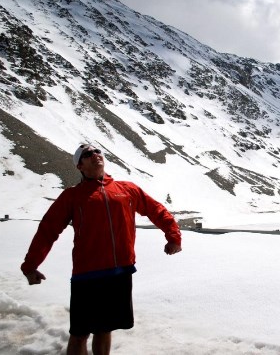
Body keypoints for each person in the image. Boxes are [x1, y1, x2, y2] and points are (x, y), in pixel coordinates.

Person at [21, 144, 182, 355]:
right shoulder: (72, 196)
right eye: (87, 154)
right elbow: (47, 230)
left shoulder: (127, 189)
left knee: (104, 330)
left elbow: (156, 210)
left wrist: (173, 236)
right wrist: (31, 265)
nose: (95, 155)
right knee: (79, 334)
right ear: (80, 166)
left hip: (120, 272)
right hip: (87, 275)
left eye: (97, 152)